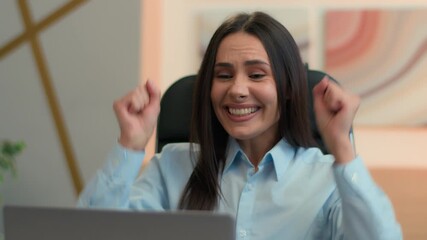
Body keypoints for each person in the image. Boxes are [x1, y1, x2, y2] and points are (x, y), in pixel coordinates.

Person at [78, 11, 402, 239]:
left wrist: (342, 147)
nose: (237, 89)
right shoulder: (171, 168)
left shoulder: (326, 179)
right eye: (223, 75)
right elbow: (88, 235)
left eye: (257, 74)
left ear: (288, 88)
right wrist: (129, 145)